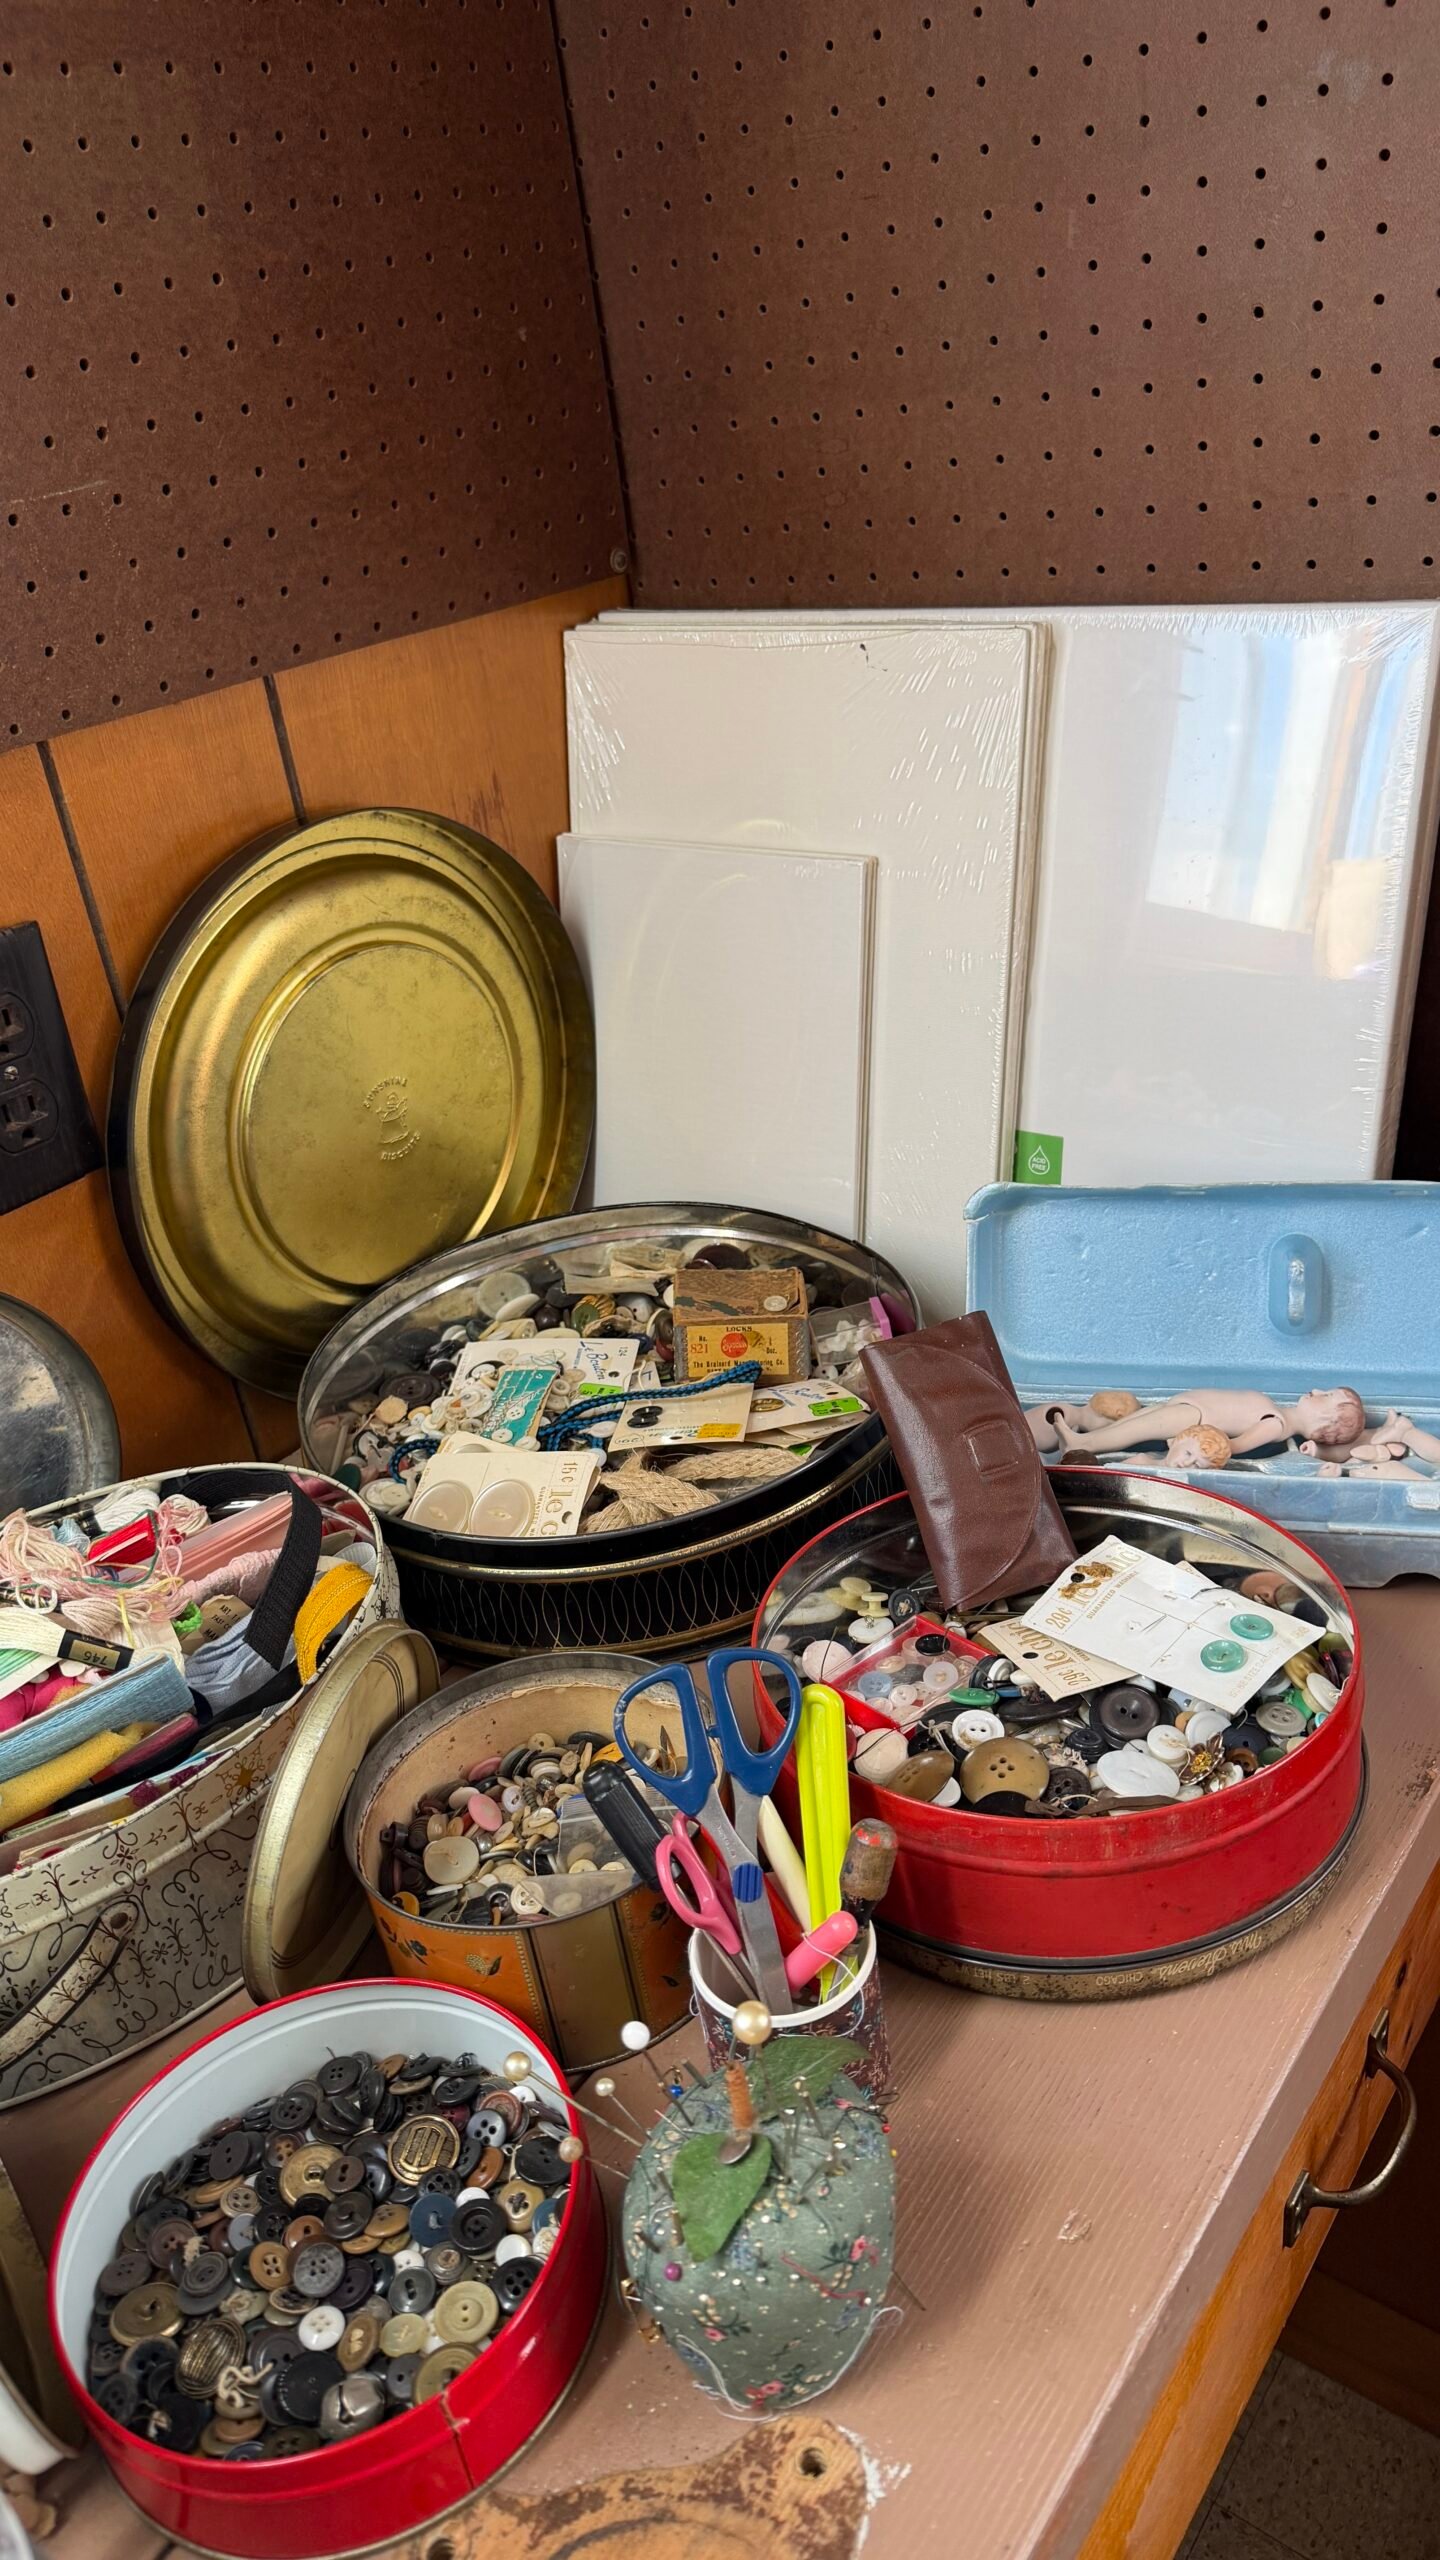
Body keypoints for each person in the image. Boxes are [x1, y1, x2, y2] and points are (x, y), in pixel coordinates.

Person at [1049, 1385, 1365, 1460]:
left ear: (1326, 1419)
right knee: (1133, 1422)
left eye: (1326, 1396)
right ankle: (1083, 1440)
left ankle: (1082, 1445)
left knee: (1133, 1430)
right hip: (1190, 1406)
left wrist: (1195, 1442)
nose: (1316, 1390)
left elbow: (1234, 1446)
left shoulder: (1276, 1424)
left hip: (1196, 1417)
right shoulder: (1276, 1412)